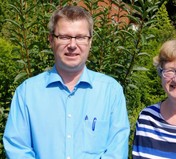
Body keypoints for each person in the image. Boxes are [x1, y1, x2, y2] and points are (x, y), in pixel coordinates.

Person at [3, 5, 130, 159]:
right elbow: (17, 148)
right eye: (64, 37)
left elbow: (116, 151)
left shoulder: (111, 92)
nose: (72, 45)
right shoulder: (27, 93)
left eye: (80, 37)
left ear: (90, 41)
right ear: (51, 40)